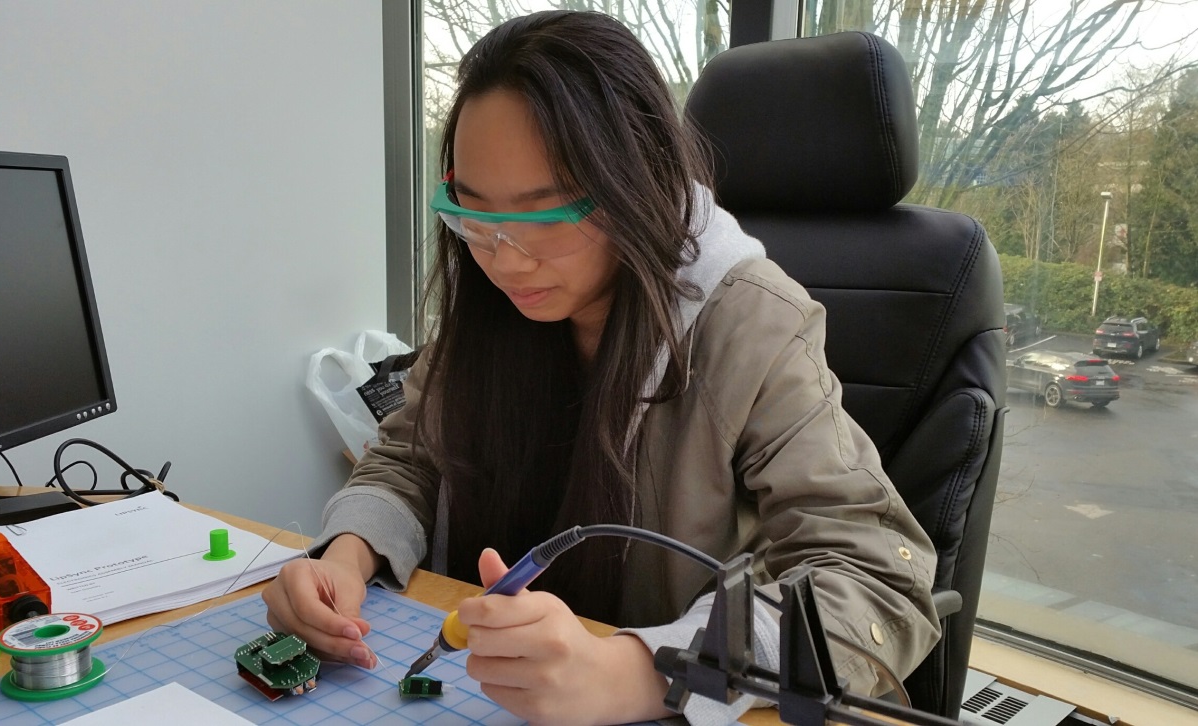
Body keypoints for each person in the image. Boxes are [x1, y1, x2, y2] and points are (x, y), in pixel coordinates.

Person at [264, 10, 940, 725]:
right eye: (473, 210)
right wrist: (346, 557)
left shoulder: (752, 323)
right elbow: (408, 455)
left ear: (636, 179)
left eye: (544, 214)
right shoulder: (495, 298)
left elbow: (874, 582)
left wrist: (641, 671)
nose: (503, 258)